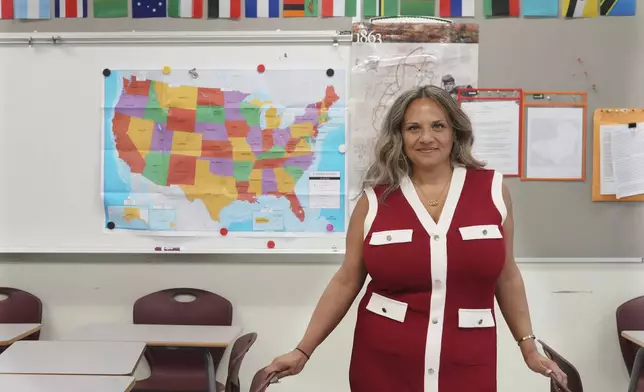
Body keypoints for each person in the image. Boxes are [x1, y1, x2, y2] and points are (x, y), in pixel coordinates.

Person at [264, 85, 568, 391]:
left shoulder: (492, 190)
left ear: (455, 132)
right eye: (413, 128)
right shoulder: (375, 200)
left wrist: (527, 345)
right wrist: (303, 350)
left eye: (438, 126)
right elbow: (346, 280)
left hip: (467, 361)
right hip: (383, 364)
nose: (426, 137)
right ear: (400, 136)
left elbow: (507, 275)